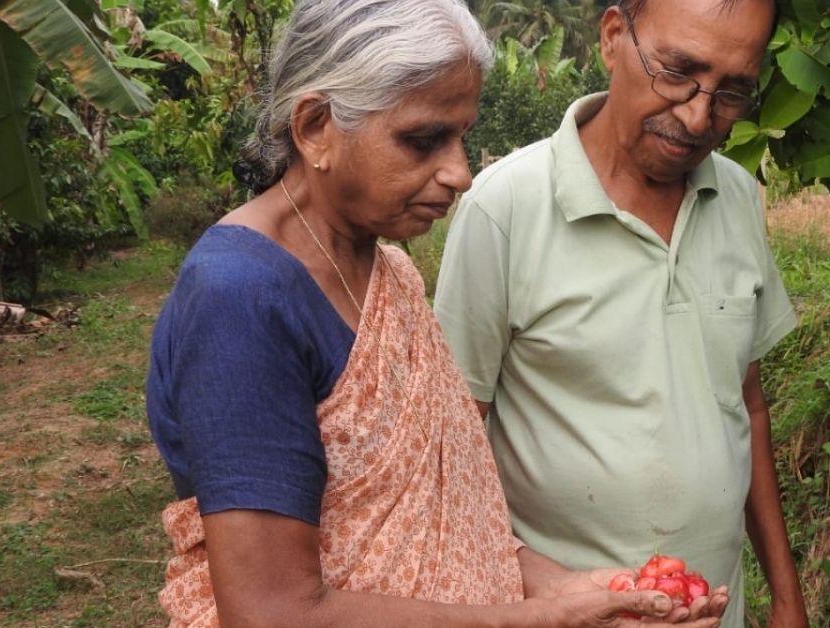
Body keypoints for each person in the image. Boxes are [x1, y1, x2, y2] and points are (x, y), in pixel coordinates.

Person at [145, 0, 729, 626]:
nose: (461, 173)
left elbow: (443, 519)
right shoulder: (240, 295)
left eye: (461, 137)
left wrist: (560, 589)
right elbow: (272, 612)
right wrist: (525, 621)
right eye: (423, 140)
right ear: (315, 126)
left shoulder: (386, 268)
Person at [433, 0, 808, 626]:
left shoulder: (738, 198)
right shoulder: (505, 211)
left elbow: (747, 405)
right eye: (677, 70)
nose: (698, 115)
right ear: (612, 38)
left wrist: (788, 600)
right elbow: (447, 451)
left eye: (731, 92)